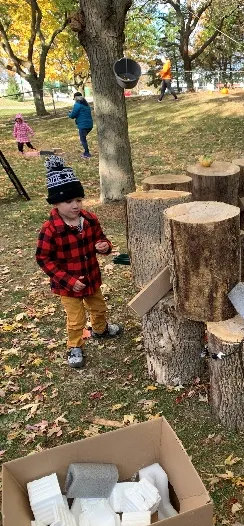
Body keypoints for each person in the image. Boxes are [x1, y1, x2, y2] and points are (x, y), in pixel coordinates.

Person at [36, 155, 122, 368]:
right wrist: (68, 280)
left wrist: (104, 246)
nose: (75, 205)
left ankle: (100, 330)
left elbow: (101, 238)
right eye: (69, 201)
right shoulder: (51, 229)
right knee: (75, 320)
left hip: (91, 278)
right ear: (56, 203)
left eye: (79, 200)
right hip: (69, 286)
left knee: (99, 307)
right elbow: (43, 258)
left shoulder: (89, 219)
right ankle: (75, 346)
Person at [68, 92, 93, 159]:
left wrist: (69, 113)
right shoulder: (86, 104)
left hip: (83, 125)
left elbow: (72, 116)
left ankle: (87, 153)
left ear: (76, 98)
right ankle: (83, 144)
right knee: (83, 138)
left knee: (83, 139)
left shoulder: (77, 105)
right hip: (90, 125)